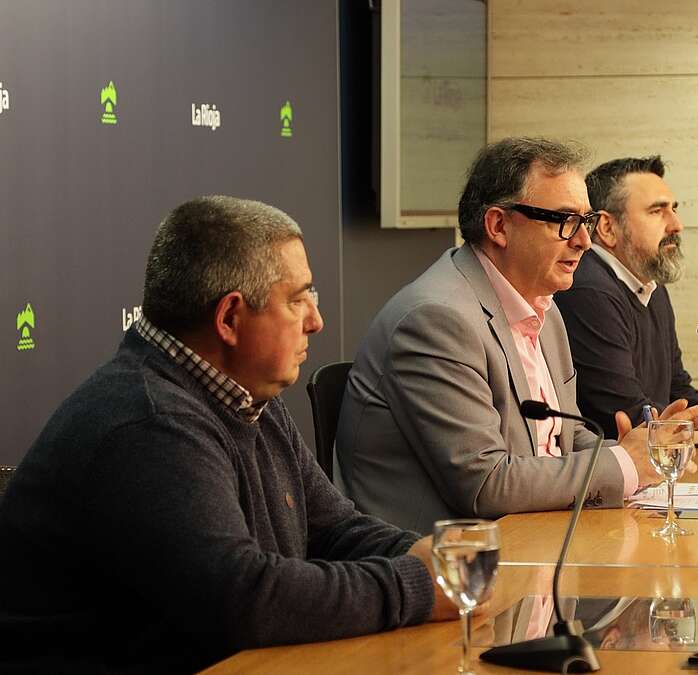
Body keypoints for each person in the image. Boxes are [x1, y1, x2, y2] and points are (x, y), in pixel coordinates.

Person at [0, 196, 454, 673]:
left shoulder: (245, 394)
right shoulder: (149, 422)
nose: (316, 321)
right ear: (230, 319)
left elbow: (335, 530)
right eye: (297, 299)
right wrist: (416, 585)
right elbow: (244, 600)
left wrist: (437, 558)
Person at [335, 138, 698, 533]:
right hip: (445, 568)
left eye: (585, 222)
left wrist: (639, 451)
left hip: (529, 541)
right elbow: (486, 485)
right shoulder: (437, 320)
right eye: (565, 221)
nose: (584, 241)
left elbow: (558, 438)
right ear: (499, 226)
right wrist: (623, 463)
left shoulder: (542, 306)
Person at [555, 156, 698, 443]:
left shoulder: (651, 288)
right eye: (657, 211)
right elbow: (632, 417)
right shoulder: (589, 290)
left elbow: (676, 390)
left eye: (674, 210)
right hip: (606, 479)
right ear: (607, 228)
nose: (677, 225)